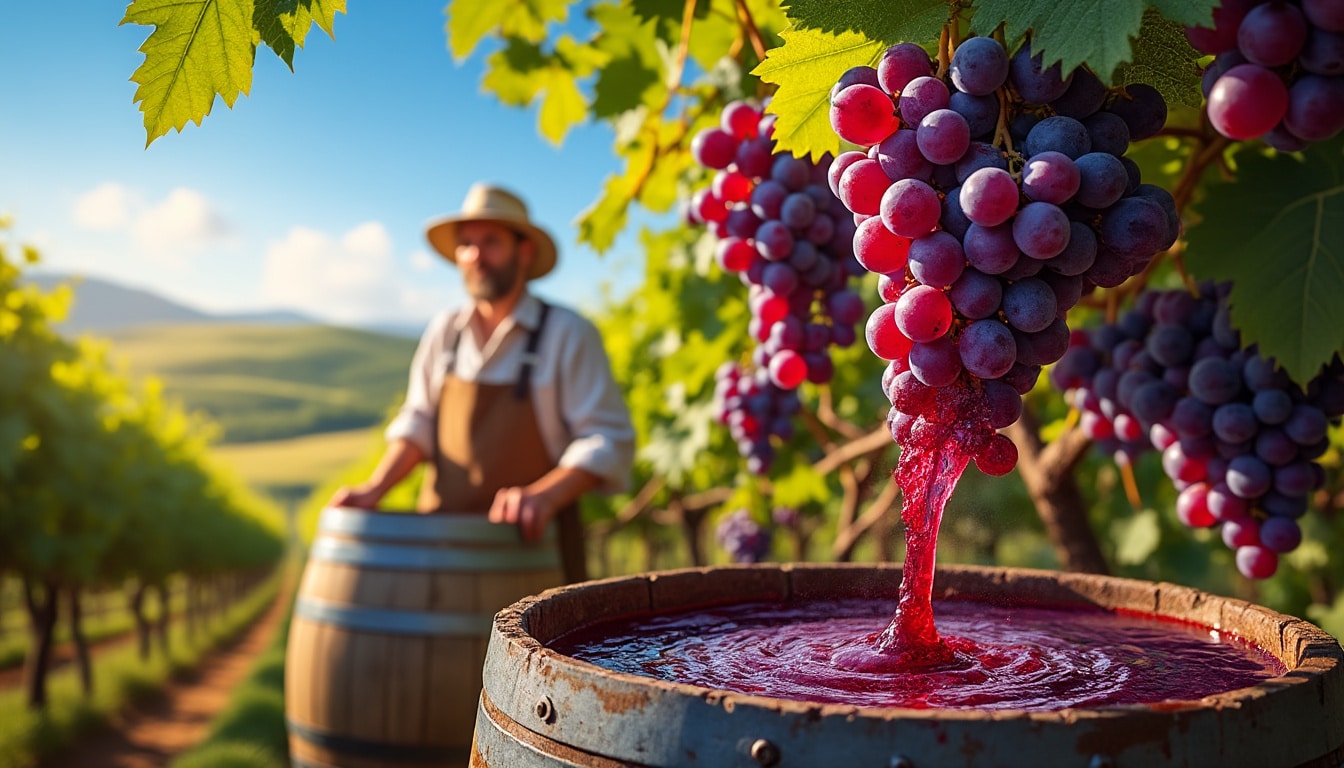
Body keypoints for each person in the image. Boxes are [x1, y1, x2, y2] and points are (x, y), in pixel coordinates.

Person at [329, 183, 635, 582]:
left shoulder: (568, 333)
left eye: (491, 242)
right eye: (466, 244)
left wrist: (544, 495)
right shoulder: (445, 331)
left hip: (534, 559)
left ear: (524, 252)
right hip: (439, 555)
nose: (476, 256)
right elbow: (418, 423)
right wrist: (375, 488)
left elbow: (606, 440)